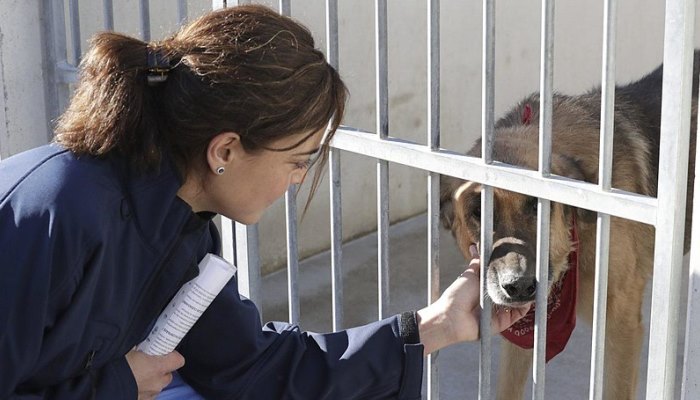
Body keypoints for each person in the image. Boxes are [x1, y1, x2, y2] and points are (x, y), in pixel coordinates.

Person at [0, 5, 529, 399]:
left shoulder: (181, 230)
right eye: (298, 159)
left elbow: (253, 368)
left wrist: (433, 328)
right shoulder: (57, 212)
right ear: (225, 149)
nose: (299, 179)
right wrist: (118, 385)